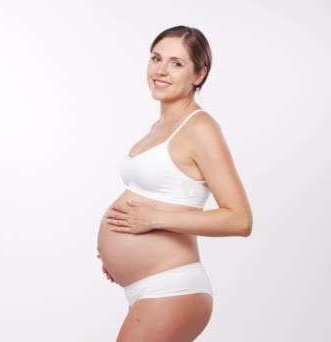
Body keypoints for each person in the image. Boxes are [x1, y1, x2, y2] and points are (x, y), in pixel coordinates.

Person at [96, 25, 253, 341]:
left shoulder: (201, 128)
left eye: (176, 63)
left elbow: (240, 219)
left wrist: (152, 220)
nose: (161, 70)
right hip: (148, 286)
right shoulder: (160, 126)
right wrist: (120, 257)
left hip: (171, 288)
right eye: (156, 58)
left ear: (199, 74)